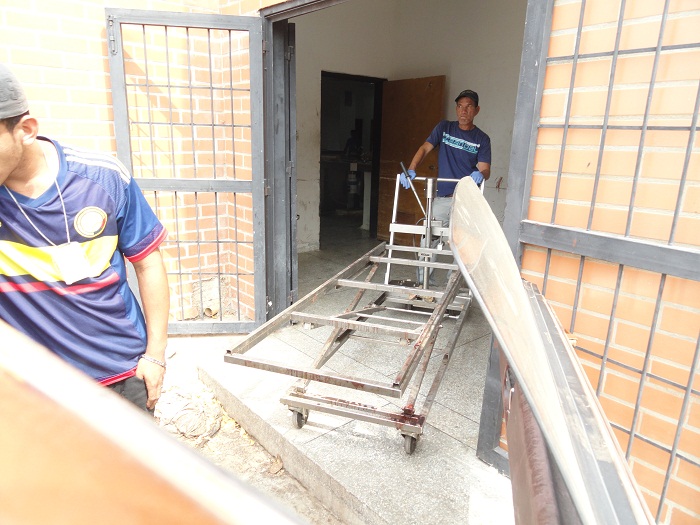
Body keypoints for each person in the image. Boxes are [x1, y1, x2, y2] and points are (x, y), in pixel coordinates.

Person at [0, 63, 169, 413]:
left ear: (26, 129)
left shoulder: (102, 177)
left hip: (120, 372)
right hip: (32, 388)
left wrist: (155, 355)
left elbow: (148, 263)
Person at [401, 89, 491, 284]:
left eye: (469, 107)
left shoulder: (482, 139)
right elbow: (425, 148)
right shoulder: (444, 128)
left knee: (464, 243)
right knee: (429, 238)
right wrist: (411, 169)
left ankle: (453, 284)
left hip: (466, 201)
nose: (463, 111)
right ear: (456, 109)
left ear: (477, 110)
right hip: (442, 197)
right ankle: (424, 284)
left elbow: (486, 169)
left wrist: (481, 174)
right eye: (460, 106)